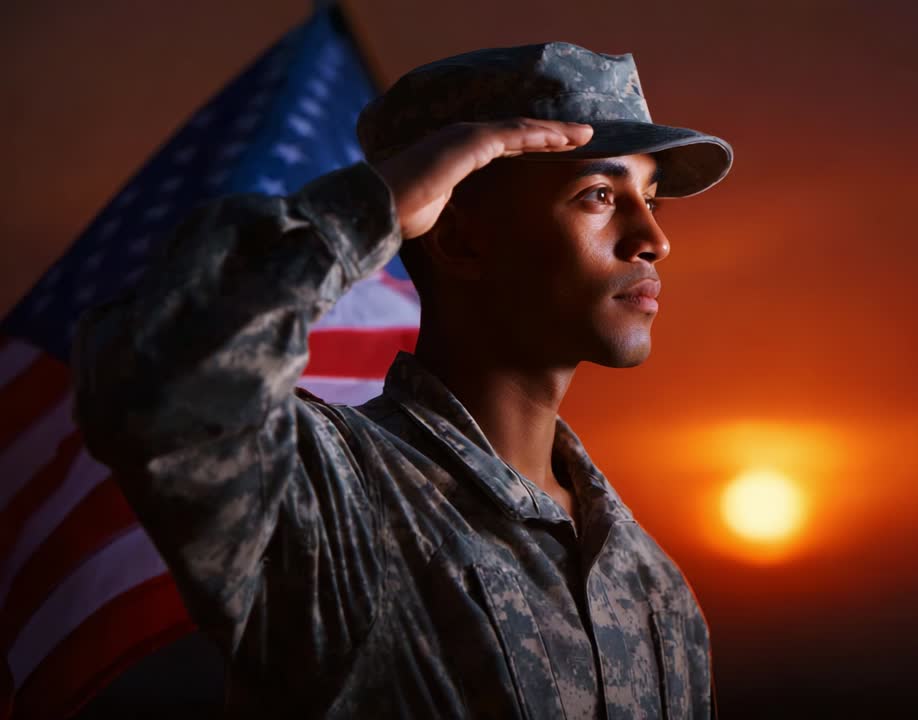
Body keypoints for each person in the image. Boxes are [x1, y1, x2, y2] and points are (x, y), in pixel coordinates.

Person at [71, 41, 733, 719]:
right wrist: (374, 206)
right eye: (598, 195)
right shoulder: (338, 498)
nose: (654, 238)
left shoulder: (655, 589)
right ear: (458, 238)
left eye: (651, 200)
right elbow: (159, 382)